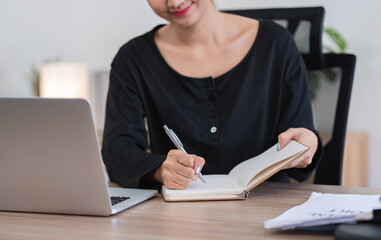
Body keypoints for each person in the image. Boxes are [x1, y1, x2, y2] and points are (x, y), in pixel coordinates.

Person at [101, 0, 322, 190]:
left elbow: (300, 137)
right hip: (179, 215)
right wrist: (160, 170)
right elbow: (117, 152)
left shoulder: (276, 45)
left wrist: (308, 143)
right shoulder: (132, 60)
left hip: (266, 210)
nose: (175, 3)